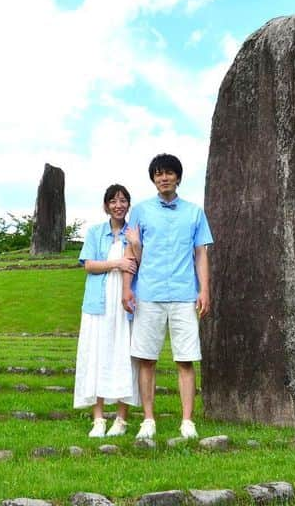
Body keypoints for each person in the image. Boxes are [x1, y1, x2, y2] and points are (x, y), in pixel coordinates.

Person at [122, 153, 212, 441]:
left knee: (185, 359)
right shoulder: (140, 211)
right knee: (147, 359)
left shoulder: (194, 212)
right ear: (153, 179)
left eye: (169, 173)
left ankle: (187, 421)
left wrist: (205, 289)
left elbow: (200, 254)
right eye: (158, 174)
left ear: (178, 177)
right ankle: (148, 419)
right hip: (148, 292)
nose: (164, 178)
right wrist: (127, 287)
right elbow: (130, 251)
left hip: (184, 293)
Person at [73, 184, 141, 437]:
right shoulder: (95, 232)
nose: (118, 205)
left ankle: (121, 419)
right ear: (106, 206)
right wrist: (116, 263)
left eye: (123, 200)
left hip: (124, 302)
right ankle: (98, 418)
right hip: (98, 302)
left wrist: (133, 247)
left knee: (123, 355)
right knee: (96, 354)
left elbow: (138, 263)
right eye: (113, 201)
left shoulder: (133, 233)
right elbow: (89, 265)